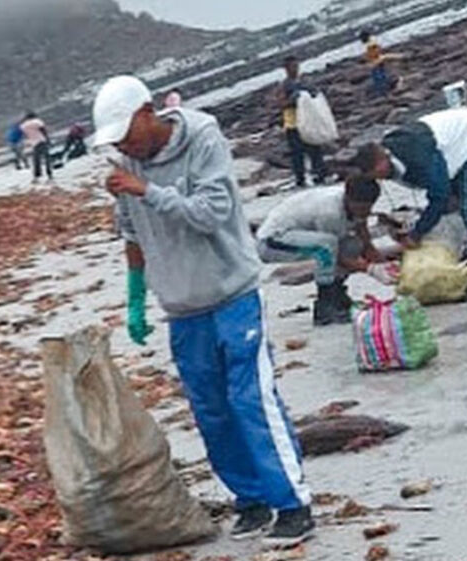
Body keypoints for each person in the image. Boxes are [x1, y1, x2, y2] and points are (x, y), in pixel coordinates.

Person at [92, 75, 314, 545]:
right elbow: (130, 233)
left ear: (148, 112)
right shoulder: (127, 164)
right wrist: (135, 298)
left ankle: (293, 505)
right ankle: (251, 499)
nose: (126, 145)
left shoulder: (203, 138)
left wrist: (146, 190)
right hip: (183, 307)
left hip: (231, 295)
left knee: (251, 399)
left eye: (127, 132)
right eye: (117, 141)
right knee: (211, 411)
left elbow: (210, 213)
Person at [353, 106, 467, 299]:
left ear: (380, 162)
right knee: (457, 208)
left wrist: (418, 232)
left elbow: (439, 194)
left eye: (376, 174)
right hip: (448, 153)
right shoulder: (391, 162)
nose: (378, 180)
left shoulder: (415, 155)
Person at [256, 176, 396, 325]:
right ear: (348, 198)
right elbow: (336, 256)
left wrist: (381, 261)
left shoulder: (353, 205)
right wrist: (371, 269)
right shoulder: (330, 212)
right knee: (326, 246)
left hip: (305, 237)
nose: (364, 212)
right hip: (273, 241)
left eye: (368, 208)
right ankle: (324, 304)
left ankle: (337, 293)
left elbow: (362, 234)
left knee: (353, 244)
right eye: (360, 208)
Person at [276, 56, 329, 188]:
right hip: (293, 124)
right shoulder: (284, 85)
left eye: (296, 66)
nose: (294, 69)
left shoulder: (305, 81)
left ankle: (320, 175)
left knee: (314, 148)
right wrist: (294, 100)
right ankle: (300, 179)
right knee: (297, 153)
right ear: (286, 69)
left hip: (308, 121)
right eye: (291, 67)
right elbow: (281, 104)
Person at [359, 30, 400, 97]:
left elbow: (374, 53)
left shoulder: (371, 45)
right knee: (380, 75)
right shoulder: (372, 42)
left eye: (362, 39)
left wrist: (372, 60)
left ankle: (384, 90)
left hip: (376, 62)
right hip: (377, 61)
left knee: (379, 77)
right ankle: (386, 88)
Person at [19, 111, 53, 182]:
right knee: (47, 158)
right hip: (42, 141)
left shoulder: (23, 125)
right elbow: (43, 131)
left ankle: (37, 176)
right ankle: (49, 174)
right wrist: (48, 139)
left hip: (33, 143)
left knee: (36, 160)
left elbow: (25, 135)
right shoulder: (37, 122)